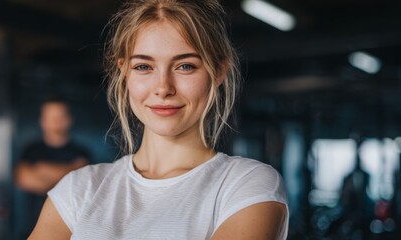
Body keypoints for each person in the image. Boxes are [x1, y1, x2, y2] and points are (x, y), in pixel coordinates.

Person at [30, 0, 288, 239]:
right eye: (144, 67)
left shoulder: (245, 185)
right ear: (124, 72)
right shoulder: (78, 189)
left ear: (218, 71)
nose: (163, 87)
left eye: (185, 66)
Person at [14, 98, 90, 234]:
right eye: (51, 117)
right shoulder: (30, 150)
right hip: (32, 227)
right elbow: (24, 180)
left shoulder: (81, 152)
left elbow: (82, 186)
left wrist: (41, 169)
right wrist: (69, 171)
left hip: (71, 230)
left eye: (60, 116)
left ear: (69, 120)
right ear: (42, 120)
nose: (56, 121)